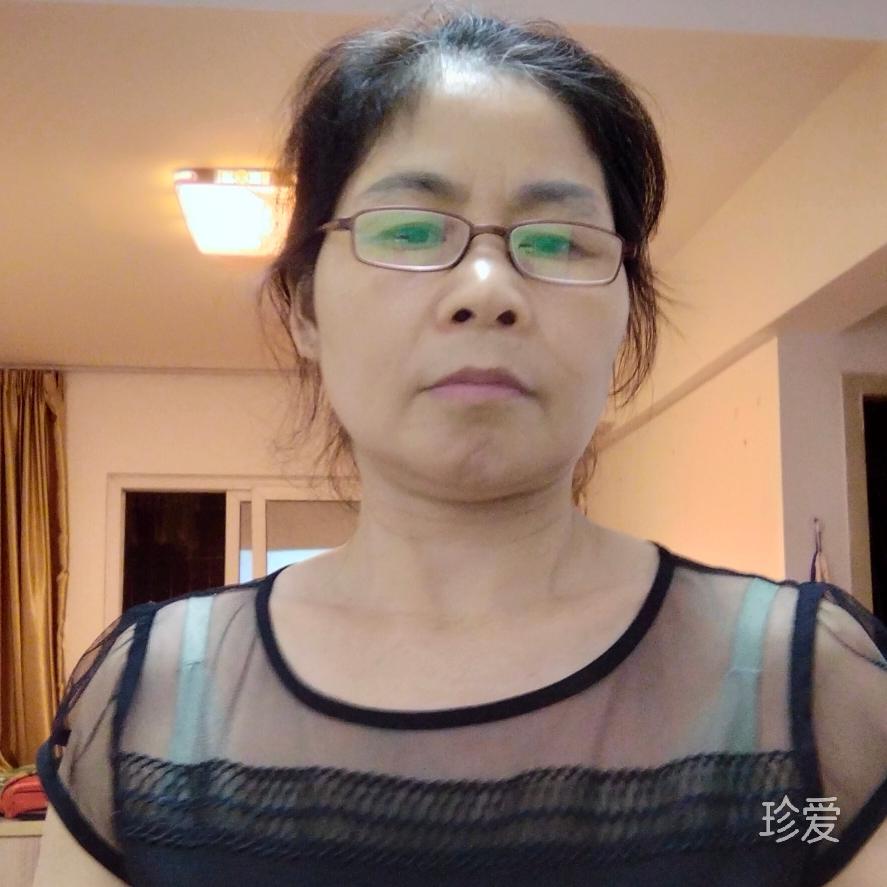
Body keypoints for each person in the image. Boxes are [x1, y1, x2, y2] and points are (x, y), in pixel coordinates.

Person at [34, 3, 887, 885]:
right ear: (303, 306)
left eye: (556, 240)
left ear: (625, 313)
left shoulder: (804, 694)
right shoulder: (148, 704)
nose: (486, 289)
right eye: (409, 229)